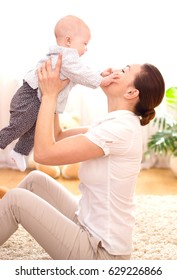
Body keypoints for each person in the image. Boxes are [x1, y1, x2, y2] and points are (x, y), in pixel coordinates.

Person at [0, 55, 165, 260]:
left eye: (124, 70)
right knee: (36, 180)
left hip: (100, 254)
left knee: (17, 200)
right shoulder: (114, 123)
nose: (114, 69)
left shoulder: (120, 130)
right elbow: (58, 136)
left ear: (132, 92)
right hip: (85, 223)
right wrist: (59, 90)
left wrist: (50, 96)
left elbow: (44, 153)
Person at [0, 15, 117, 172]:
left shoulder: (69, 63)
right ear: (68, 41)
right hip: (30, 95)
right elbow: (81, 73)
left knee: (35, 128)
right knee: (20, 126)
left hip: (38, 98)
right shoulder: (66, 56)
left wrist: (99, 74)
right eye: (84, 43)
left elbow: (79, 75)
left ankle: (19, 152)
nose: (86, 49)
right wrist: (101, 81)